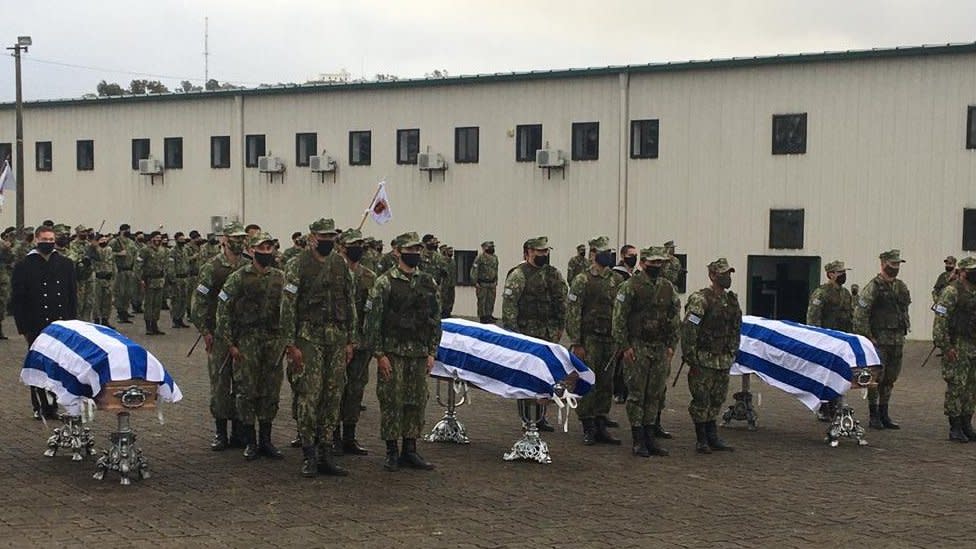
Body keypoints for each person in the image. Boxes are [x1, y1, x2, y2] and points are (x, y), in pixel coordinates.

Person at [279, 218, 356, 477]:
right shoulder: (296, 265)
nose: (327, 241)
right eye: (323, 236)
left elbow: (349, 301)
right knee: (309, 395)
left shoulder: (340, 264)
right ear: (312, 237)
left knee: (333, 395)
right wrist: (291, 344)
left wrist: (349, 340)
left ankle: (326, 451)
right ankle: (309, 452)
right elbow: (288, 306)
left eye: (331, 236)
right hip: (308, 337)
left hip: (336, 338)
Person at [364, 231, 441, 472]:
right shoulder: (385, 282)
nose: (414, 254)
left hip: (418, 352)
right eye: (410, 249)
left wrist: (432, 351)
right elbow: (374, 320)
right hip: (393, 352)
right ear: (397, 251)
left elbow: (434, 319)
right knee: (391, 400)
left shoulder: (428, 282)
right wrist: (379, 354)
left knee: (416, 401)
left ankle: (410, 449)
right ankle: (391, 450)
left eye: (417, 249)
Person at [215, 232, 286, 460]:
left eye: (269, 249)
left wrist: (287, 340)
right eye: (261, 249)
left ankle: (266, 439)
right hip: (247, 341)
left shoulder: (280, 278)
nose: (266, 253)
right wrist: (230, 343)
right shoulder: (238, 277)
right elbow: (223, 309)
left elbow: (290, 310)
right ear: (252, 250)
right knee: (246, 391)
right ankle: (250, 441)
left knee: (270, 390)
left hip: (272, 341)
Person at [612, 246, 680, 457]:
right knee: (637, 394)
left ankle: (651, 437)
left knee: (655, 394)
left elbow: (674, 317)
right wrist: (624, 347)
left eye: (660, 263)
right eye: (653, 263)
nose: (657, 266)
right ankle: (638, 438)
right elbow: (619, 319)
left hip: (659, 348)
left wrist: (671, 345)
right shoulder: (630, 286)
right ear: (643, 263)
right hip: (637, 347)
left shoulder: (667, 287)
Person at [191, 222, 249, 451]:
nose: (239, 242)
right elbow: (199, 302)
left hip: (244, 333)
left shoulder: (247, 265)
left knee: (242, 383)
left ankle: (239, 431)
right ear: (224, 239)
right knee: (221, 384)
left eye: (242, 238)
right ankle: (220, 432)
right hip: (219, 334)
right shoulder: (212, 267)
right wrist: (205, 331)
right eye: (235, 238)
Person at [12, 225, 78, 419]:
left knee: (59, 365)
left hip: (60, 324)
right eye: (44, 240)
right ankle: (40, 406)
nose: (48, 243)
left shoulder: (65, 264)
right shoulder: (24, 265)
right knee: (39, 366)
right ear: (36, 240)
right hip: (36, 324)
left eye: (51, 240)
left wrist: (73, 322)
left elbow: (71, 295)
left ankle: (54, 404)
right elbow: (18, 299)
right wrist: (23, 327)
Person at [502, 236, 567, 432]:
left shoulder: (553, 274)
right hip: (526, 334)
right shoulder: (519, 275)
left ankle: (541, 417)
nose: (543, 255)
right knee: (526, 377)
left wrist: (558, 329)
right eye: (539, 252)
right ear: (528, 252)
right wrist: (514, 336)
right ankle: (526, 419)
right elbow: (509, 307)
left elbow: (561, 302)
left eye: (546, 251)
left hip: (547, 333)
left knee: (545, 376)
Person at [681, 258, 741, 454]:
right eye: (724, 274)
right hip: (704, 358)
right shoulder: (701, 299)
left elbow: (735, 329)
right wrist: (690, 356)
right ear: (713, 275)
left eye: (729, 274)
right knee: (701, 398)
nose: (728, 278)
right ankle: (701, 439)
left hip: (722, 358)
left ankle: (712, 435)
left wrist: (732, 351)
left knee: (717, 397)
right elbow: (690, 329)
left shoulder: (730, 300)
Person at [567, 236, 623, 446]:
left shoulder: (616, 280)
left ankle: (601, 423)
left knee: (606, 383)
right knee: (587, 380)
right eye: (603, 251)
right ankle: (587, 425)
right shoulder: (582, 280)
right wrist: (577, 342)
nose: (607, 255)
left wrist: (620, 339)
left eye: (609, 251)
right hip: (589, 339)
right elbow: (573, 312)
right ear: (593, 254)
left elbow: (620, 312)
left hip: (609, 339)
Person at [854, 250, 912, 430]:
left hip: (896, 340)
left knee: (890, 378)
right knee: (875, 377)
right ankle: (873, 415)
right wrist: (868, 337)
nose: (895, 268)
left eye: (898, 265)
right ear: (883, 263)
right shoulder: (873, 287)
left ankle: (884, 412)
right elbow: (860, 314)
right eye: (893, 264)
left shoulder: (900, 286)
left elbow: (903, 310)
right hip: (879, 340)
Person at [335, 228, 375, 456]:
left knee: (355, 390)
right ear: (341, 247)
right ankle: (333, 436)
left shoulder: (369, 276)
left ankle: (350, 435)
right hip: (338, 341)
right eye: (353, 244)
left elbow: (374, 311)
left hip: (361, 343)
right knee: (335, 389)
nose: (358, 248)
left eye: (361, 244)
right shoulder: (333, 273)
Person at [932, 256, 976, 442]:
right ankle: (955, 426)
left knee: (971, 387)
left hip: (973, 344)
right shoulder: (951, 291)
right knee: (957, 386)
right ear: (963, 272)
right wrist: (946, 345)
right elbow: (940, 321)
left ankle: (967, 423)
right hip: (957, 345)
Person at [806, 260, 853, 421]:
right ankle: (823, 407)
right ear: (831, 274)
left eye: (844, 272)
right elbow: (813, 317)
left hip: (841, 341)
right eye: (840, 272)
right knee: (824, 374)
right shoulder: (822, 293)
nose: (843, 275)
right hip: (826, 340)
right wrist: (816, 339)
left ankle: (836, 404)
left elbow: (850, 317)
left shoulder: (846, 294)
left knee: (839, 373)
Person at [136, 231, 169, 335]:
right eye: (156, 237)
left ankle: (155, 325)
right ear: (152, 239)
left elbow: (165, 264)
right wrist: (140, 279)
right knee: (149, 304)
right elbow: (138, 265)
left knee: (157, 304)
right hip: (149, 280)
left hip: (159, 280)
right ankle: (148, 326)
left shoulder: (163, 250)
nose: (159, 240)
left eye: (160, 238)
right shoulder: (145, 250)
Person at [109, 224, 137, 324]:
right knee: (120, 293)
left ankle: (125, 311)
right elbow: (107, 253)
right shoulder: (115, 242)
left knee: (128, 293)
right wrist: (118, 254)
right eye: (126, 230)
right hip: (120, 270)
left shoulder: (131, 242)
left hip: (129, 270)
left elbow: (135, 255)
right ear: (121, 231)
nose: (128, 232)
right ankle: (120, 312)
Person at [167, 232, 193, 328]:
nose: (183, 241)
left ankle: (181, 318)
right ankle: (175, 319)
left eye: (183, 239)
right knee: (176, 300)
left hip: (185, 278)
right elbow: (170, 266)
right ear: (176, 240)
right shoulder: (173, 251)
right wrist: (172, 278)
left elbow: (187, 263)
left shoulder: (185, 250)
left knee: (184, 300)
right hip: (177, 278)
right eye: (180, 239)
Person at [91, 233, 116, 327]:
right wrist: (93, 246)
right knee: (97, 300)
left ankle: (105, 319)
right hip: (98, 278)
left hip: (108, 278)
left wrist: (113, 275)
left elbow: (112, 263)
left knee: (107, 300)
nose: (104, 241)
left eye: (105, 240)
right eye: (101, 240)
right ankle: (97, 319)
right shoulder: (94, 250)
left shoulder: (109, 250)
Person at [470, 240, 499, 323]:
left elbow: (495, 269)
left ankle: (489, 315)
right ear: (485, 248)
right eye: (490, 247)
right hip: (482, 283)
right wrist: (475, 282)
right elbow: (475, 269)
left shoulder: (495, 257)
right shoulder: (480, 257)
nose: (492, 248)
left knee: (491, 300)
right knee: (482, 301)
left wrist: (496, 280)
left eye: (492, 247)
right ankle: (483, 317)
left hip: (492, 283)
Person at [440, 245, 456, 318]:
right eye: (450, 251)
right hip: (444, 283)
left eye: (452, 251)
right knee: (444, 298)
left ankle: (448, 312)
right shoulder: (443, 260)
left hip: (451, 283)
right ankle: (443, 312)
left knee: (451, 298)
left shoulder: (452, 261)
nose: (451, 253)